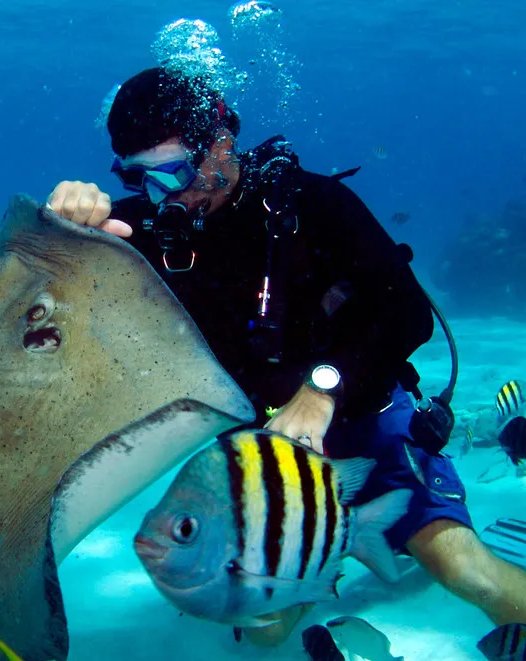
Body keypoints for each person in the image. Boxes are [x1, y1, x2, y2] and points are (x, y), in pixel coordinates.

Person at [46, 66, 526, 646]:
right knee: (267, 629)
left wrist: (324, 387)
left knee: (463, 569)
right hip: (261, 461)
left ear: (221, 142)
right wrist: (64, 237)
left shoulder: (315, 204)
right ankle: (326, 555)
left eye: (175, 170)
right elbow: (51, 314)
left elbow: (407, 314)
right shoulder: (139, 229)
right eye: (140, 178)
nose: (167, 196)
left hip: (365, 416)